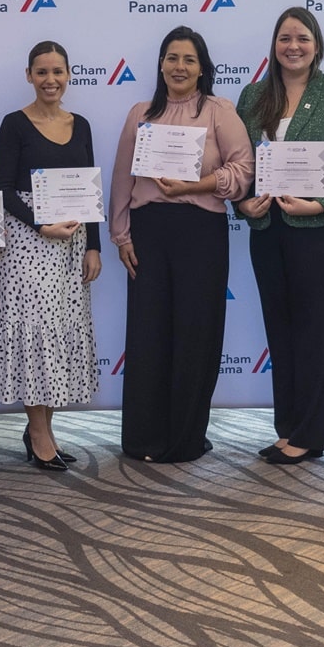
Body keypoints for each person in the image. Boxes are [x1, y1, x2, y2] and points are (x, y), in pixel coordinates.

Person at [234, 7, 324, 465]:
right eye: (285, 38)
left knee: (314, 333)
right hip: (267, 230)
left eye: (302, 38)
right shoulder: (253, 96)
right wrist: (242, 202)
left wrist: (321, 204)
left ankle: (310, 433)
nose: (293, 46)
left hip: (319, 233)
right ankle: (288, 428)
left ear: (316, 46)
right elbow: (241, 164)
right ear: (274, 45)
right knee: (281, 331)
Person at [111, 27, 253, 463]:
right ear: (160, 64)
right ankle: (144, 437)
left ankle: (185, 438)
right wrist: (121, 234)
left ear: (202, 68)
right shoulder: (140, 114)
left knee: (196, 333)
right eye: (172, 58)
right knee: (148, 332)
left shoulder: (218, 111)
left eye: (189, 59)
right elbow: (123, 178)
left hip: (200, 232)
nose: (179, 67)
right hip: (149, 232)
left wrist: (196, 184)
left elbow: (243, 169)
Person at [0, 41, 102, 470]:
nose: (50, 80)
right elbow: (2, 190)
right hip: (27, 243)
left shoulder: (82, 125)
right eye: (41, 72)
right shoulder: (14, 124)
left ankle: (44, 430)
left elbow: (90, 189)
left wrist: (92, 245)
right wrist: (41, 225)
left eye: (57, 71)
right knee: (34, 335)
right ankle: (38, 432)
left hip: (71, 245)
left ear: (69, 74)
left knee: (58, 334)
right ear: (29, 76)